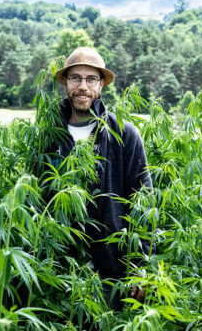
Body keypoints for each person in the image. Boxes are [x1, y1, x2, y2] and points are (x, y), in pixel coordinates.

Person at [50, 46, 153, 310]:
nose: (82, 86)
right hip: (57, 269)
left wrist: (140, 266)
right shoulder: (48, 136)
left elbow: (143, 204)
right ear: (65, 83)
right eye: (75, 78)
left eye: (91, 79)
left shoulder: (125, 135)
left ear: (101, 84)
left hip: (111, 270)